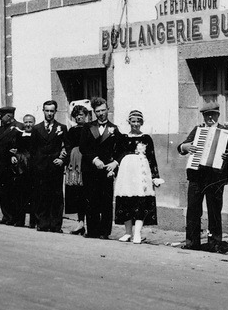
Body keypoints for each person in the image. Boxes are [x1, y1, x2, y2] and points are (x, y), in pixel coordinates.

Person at [177, 102, 228, 252]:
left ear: (218, 115)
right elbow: (181, 147)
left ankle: (215, 244)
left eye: (213, 115)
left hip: (216, 178)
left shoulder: (226, 132)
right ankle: (192, 243)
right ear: (204, 116)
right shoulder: (198, 130)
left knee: (214, 212)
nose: (210, 118)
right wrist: (184, 147)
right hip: (197, 177)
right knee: (193, 210)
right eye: (207, 115)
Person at [113, 110, 162, 244]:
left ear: (142, 123)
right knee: (126, 200)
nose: (135, 124)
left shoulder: (146, 138)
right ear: (129, 122)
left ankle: (137, 233)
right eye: (133, 121)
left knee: (140, 201)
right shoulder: (123, 138)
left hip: (141, 172)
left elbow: (152, 158)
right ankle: (128, 232)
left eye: (138, 122)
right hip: (126, 173)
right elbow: (118, 155)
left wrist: (155, 176)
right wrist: (114, 171)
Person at [79, 97, 123, 239]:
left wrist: (115, 163)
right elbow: (83, 147)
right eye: (98, 111)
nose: (101, 113)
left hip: (106, 170)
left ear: (108, 110)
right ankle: (92, 231)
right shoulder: (87, 127)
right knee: (91, 200)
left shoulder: (114, 129)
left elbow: (121, 149)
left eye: (103, 110)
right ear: (94, 112)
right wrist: (94, 159)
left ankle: (105, 232)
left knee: (105, 201)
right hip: (90, 169)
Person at [30, 100, 67, 233]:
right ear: (43, 111)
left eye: (52, 111)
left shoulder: (61, 128)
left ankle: (56, 225)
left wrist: (62, 159)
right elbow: (32, 149)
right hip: (40, 167)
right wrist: (36, 164)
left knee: (56, 196)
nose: (49, 113)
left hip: (55, 167)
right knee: (41, 195)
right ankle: (42, 223)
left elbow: (66, 146)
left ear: (55, 111)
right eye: (47, 111)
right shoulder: (36, 128)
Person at [0, 106, 30, 226]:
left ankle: (14, 217)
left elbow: (24, 146)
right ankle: (6, 216)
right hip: (1, 165)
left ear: (9, 115)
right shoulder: (0, 129)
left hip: (13, 166)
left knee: (14, 192)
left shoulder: (19, 127)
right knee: (3, 192)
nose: (0, 119)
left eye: (2, 116)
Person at [64, 102, 91, 235]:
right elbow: (68, 144)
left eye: (81, 115)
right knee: (77, 193)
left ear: (86, 115)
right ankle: (80, 223)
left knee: (87, 192)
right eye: (76, 115)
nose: (79, 117)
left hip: (86, 162)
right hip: (74, 164)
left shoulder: (90, 128)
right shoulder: (72, 130)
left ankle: (89, 224)